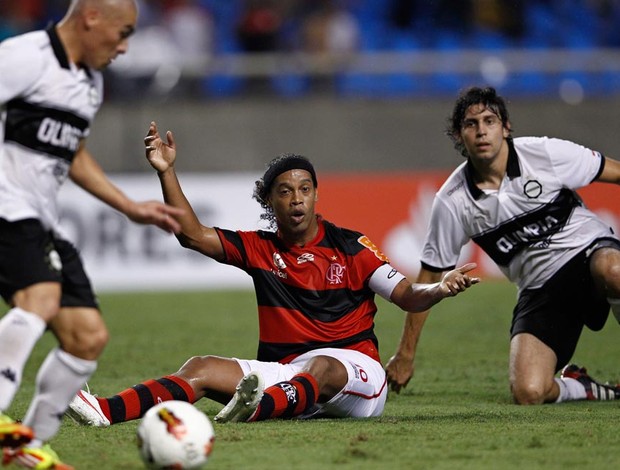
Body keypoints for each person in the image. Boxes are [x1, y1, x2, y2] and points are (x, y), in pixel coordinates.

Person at [66, 121, 478, 428]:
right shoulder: (261, 249)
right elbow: (191, 235)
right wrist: (165, 171)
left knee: (322, 366)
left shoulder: (351, 247)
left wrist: (439, 288)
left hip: (357, 376)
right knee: (202, 367)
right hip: (290, 374)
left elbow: (407, 295)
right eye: (285, 191)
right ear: (269, 200)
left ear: (317, 195)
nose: (296, 198)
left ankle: (257, 410)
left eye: (305, 189)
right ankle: (105, 410)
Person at [0, 2, 184, 469]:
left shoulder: (90, 84)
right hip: (5, 207)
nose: (125, 47)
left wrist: (129, 206)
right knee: (40, 298)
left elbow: (74, 152)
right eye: (122, 33)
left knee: (87, 337)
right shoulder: (23, 58)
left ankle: (27, 445)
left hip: (39, 218)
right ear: (90, 19)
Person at [386, 86, 620, 405]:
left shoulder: (545, 153)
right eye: (471, 124)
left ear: (505, 127)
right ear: (459, 135)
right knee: (529, 392)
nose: (482, 130)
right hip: (540, 287)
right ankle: (583, 387)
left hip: (589, 254)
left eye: (490, 121)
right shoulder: (452, 202)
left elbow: (615, 172)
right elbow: (428, 278)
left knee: (614, 268)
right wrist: (405, 353)